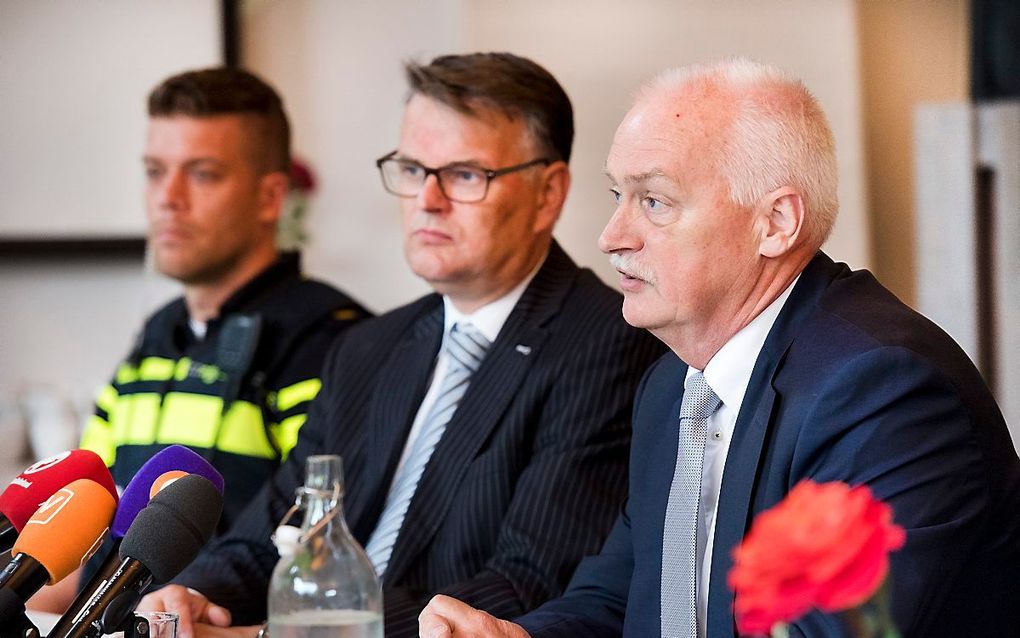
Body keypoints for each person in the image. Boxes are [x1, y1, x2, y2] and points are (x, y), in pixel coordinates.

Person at [418, 59, 1020, 637]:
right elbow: (624, 593)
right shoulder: (673, 384)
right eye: (616, 197)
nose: (611, 238)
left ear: (776, 223)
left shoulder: (883, 391)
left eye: (654, 201)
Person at [139, 53, 664, 637]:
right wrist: (193, 595)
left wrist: (294, 632)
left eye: (465, 175)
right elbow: (275, 529)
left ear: (548, 194)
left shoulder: (610, 343)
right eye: (413, 170)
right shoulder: (368, 346)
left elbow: (527, 581)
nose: (427, 201)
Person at [79, 67, 370, 530]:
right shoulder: (156, 334)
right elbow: (83, 525)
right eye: (155, 172)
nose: (167, 198)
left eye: (202, 174)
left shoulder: (330, 338)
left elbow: (326, 536)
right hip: (108, 606)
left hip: (225, 604)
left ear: (270, 197)